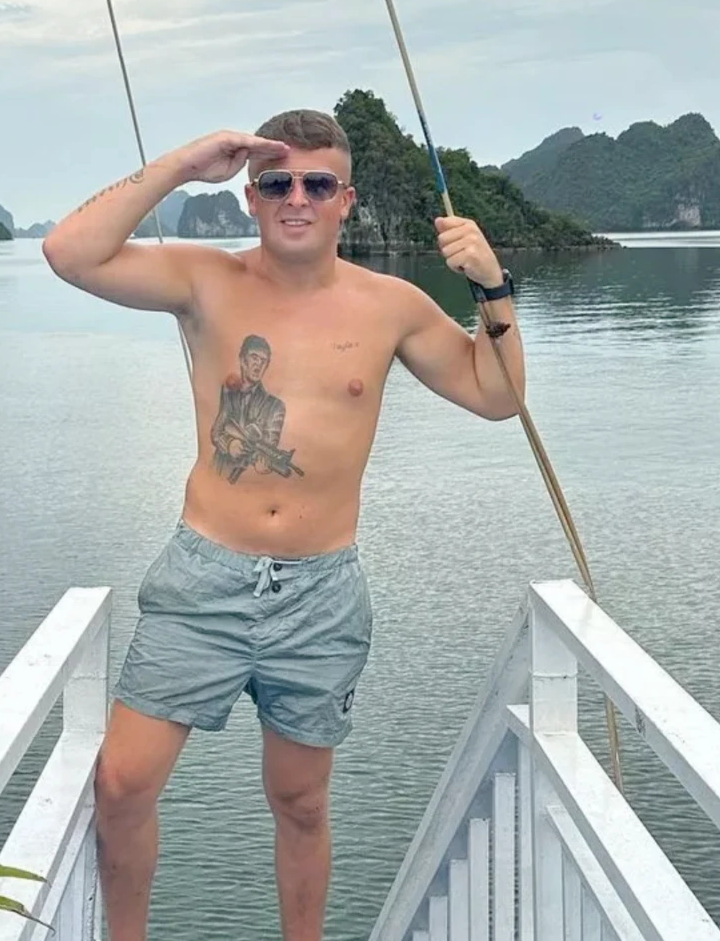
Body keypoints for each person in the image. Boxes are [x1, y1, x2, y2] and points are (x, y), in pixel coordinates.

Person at [41, 109, 524, 941]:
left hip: (320, 591)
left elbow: (498, 396)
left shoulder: (392, 306)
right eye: (276, 182)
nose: (296, 197)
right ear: (251, 197)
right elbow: (68, 252)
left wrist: (492, 286)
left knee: (299, 800)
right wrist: (186, 162)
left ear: (346, 200)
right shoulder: (205, 280)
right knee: (122, 782)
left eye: (316, 183)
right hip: (206, 577)